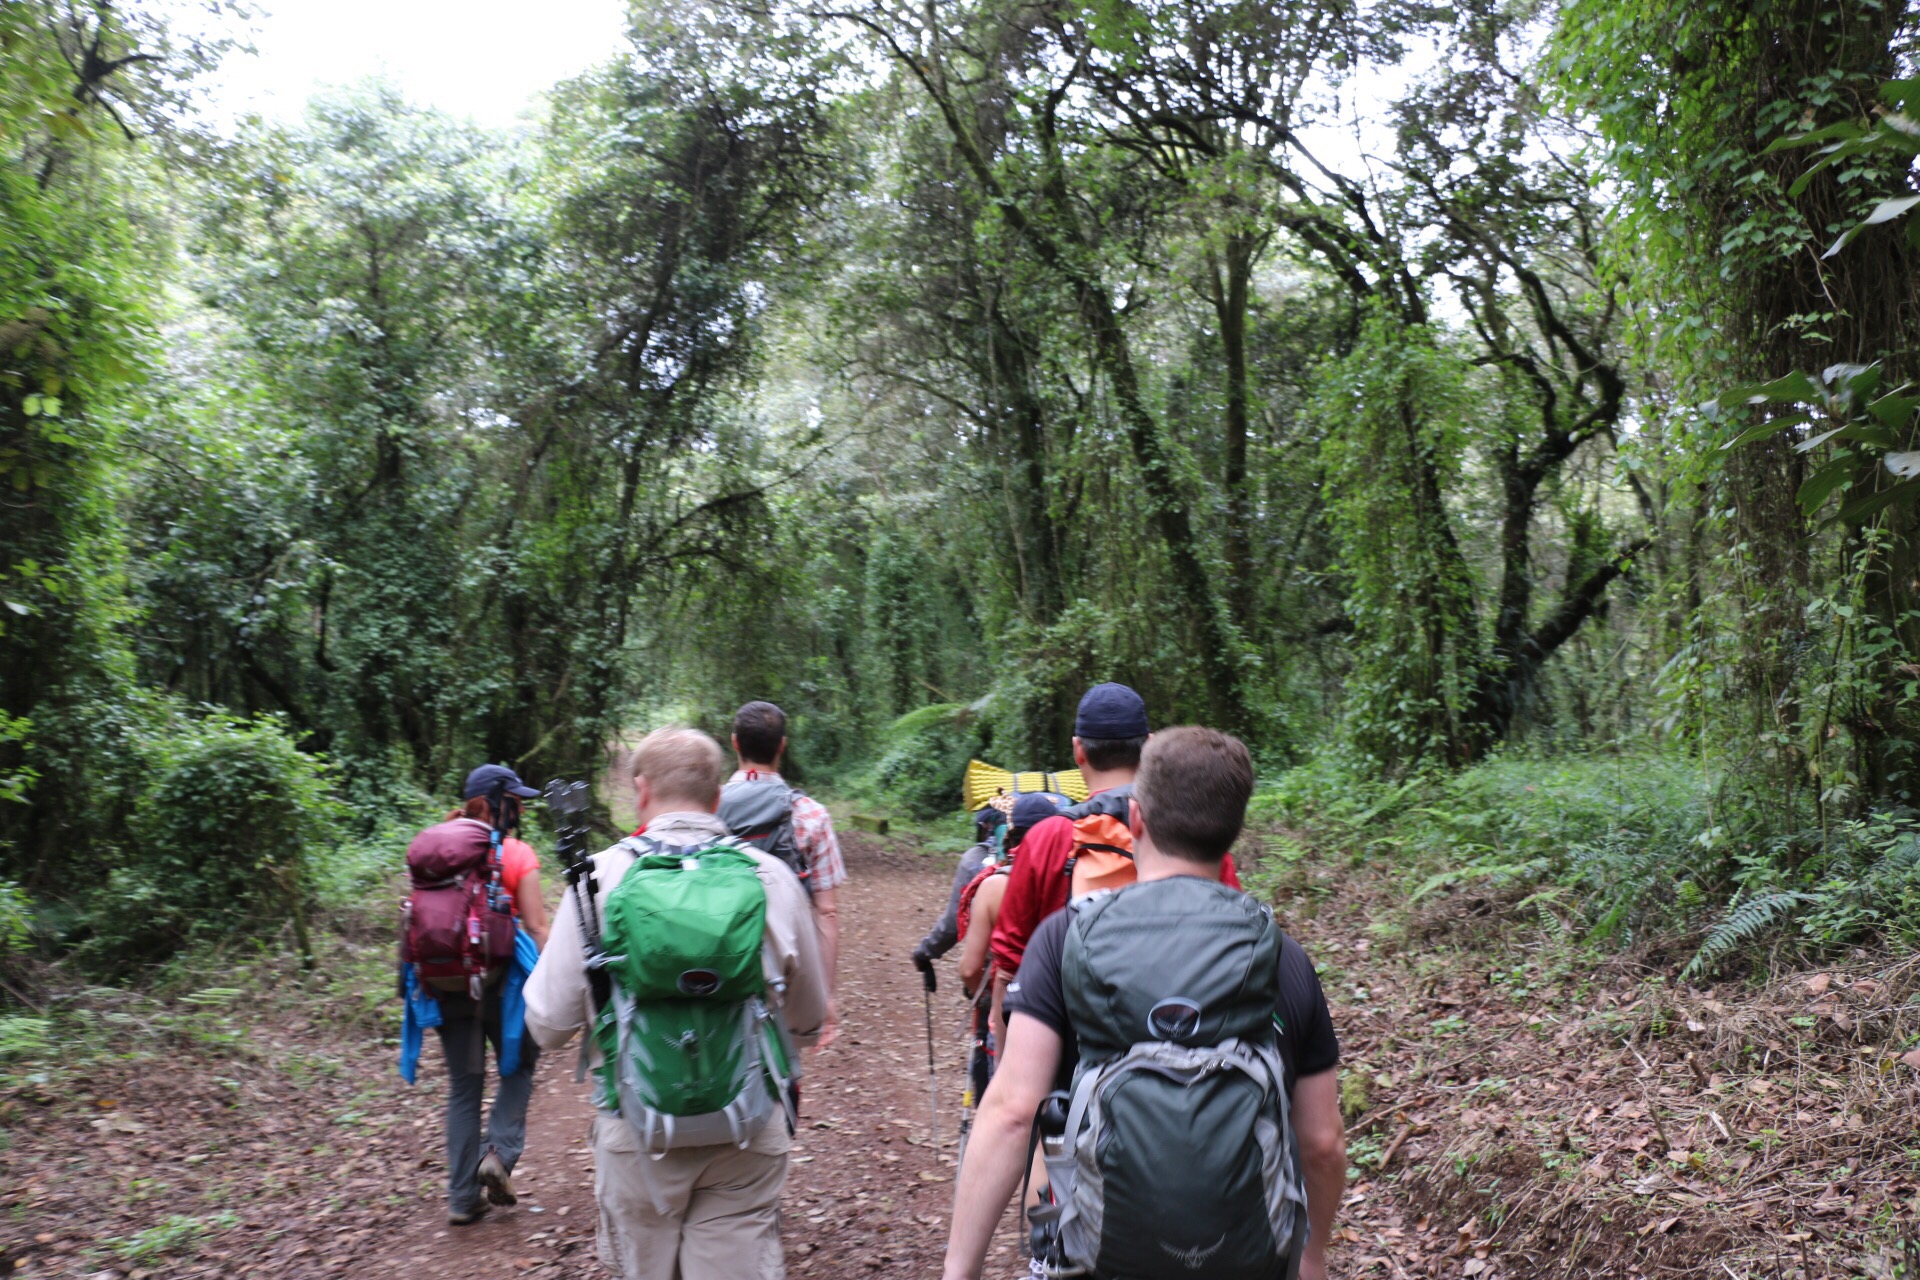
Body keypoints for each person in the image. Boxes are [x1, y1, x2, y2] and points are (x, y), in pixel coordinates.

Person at [942, 728, 1346, 1280]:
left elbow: (1012, 1112)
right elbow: (1321, 1142)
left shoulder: (1066, 938)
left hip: (1096, 1255)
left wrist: (958, 1271)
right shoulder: (1281, 956)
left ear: (1135, 819)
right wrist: (1310, 1256)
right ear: (1233, 833)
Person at [524, 727, 828, 1280]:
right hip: (747, 1126)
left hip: (636, 1131)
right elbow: (807, 1020)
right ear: (718, 797)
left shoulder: (599, 880)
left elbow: (547, 1024)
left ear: (641, 791)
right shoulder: (771, 879)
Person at [988, 683, 1240, 1046]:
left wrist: (1003, 1055)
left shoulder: (1046, 838)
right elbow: (1232, 933)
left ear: (1078, 750)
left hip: (1072, 1053)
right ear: (1149, 745)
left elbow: (1009, 961)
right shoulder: (1191, 833)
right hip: (1183, 1042)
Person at [413, 763, 550, 1225]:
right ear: (500, 803)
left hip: (449, 985)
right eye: (516, 800)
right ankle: (498, 1154)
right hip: (502, 987)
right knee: (520, 1066)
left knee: (464, 1088)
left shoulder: (436, 850)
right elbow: (536, 926)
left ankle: (461, 1198)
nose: (521, 809)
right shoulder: (514, 853)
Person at [724, 700, 845, 1048]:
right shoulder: (811, 815)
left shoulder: (709, 806)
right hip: (783, 967)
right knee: (781, 1068)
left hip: (717, 955)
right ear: (782, 746)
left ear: (734, 743)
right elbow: (827, 911)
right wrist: (824, 996)